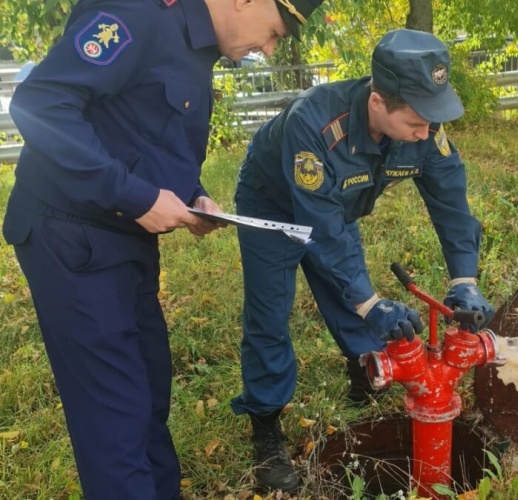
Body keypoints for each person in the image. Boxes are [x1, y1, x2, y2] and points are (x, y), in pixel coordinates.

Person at [1, 0, 323, 499]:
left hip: (123, 239)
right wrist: (136, 196)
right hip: (70, 237)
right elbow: (40, 106)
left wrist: (188, 191)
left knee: (150, 393)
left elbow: (140, 129)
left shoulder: (197, 46)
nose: (267, 48)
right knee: (116, 417)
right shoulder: (140, 14)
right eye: (274, 31)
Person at [232, 28, 496, 493]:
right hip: (271, 206)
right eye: (418, 120)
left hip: (334, 206)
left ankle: (363, 368)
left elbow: (452, 205)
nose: (427, 131)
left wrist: (465, 279)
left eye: (433, 119)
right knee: (271, 311)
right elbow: (324, 232)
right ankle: (266, 428)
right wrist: (371, 302)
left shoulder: (422, 129)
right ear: (378, 102)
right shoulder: (314, 125)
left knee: (347, 291)